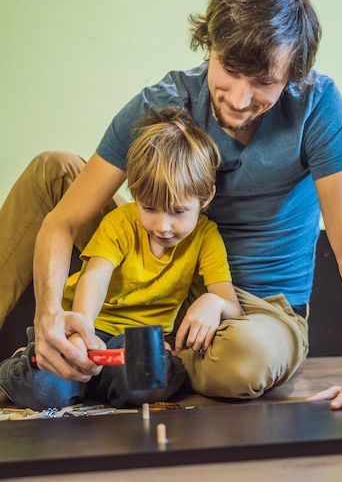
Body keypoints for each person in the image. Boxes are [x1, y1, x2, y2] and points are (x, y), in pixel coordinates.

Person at [0, 0, 342, 419]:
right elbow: (64, 220)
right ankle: (91, 353)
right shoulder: (164, 100)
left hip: (251, 308)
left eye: (264, 82)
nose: (241, 99)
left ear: (294, 75)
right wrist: (48, 315)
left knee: (242, 363)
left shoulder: (317, 106)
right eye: (230, 70)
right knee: (52, 170)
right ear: (209, 44)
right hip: (157, 274)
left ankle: (136, 360)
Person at [0, 107, 243, 410]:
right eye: (149, 208)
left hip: (136, 342)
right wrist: (82, 333)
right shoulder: (121, 222)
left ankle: (93, 384)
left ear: (205, 198)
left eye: (178, 212)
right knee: (45, 391)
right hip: (89, 330)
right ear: (135, 194)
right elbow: (95, 277)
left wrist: (216, 302)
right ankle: (19, 366)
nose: (162, 226)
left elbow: (232, 307)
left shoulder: (207, 238)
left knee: (146, 384)